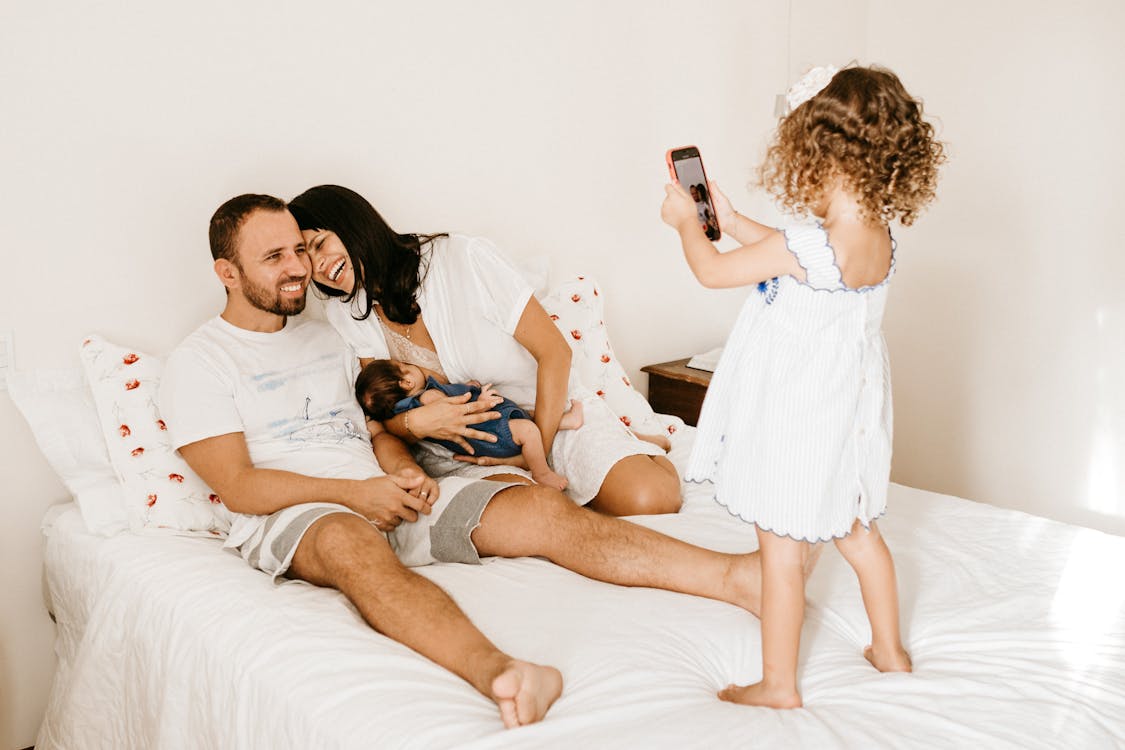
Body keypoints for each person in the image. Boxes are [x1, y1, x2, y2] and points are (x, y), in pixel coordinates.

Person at [159, 193, 771, 729]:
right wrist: (357, 495)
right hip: (308, 509)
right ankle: (502, 672)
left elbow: (378, 428)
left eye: (300, 249)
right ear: (227, 272)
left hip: (392, 489)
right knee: (350, 543)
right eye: (276, 258)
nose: (299, 269)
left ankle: (736, 577)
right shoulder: (200, 362)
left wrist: (403, 470)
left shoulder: (332, 334)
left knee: (537, 507)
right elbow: (239, 486)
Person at [660, 65, 944, 709]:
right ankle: (890, 650)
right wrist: (730, 218)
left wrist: (686, 221)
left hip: (800, 418)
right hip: (848, 417)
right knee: (859, 534)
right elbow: (788, 250)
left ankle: (778, 685)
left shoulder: (812, 247)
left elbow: (714, 273)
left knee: (781, 557)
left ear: (822, 159)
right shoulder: (874, 240)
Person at [287, 185, 682, 517]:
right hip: (465, 449)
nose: (319, 265)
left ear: (354, 225)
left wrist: (532, 457)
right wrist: (415, 427)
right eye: (306, 256)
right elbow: (383, 411)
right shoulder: (345, 310)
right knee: (531, 517)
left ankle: (642, 442)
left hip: (547, 417)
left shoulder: (461, 258)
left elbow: (555, 353)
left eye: (320, 243)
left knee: (650, 500)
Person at [356, 357, 584, 490]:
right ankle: (542, 472)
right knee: (528, 429)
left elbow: (451, 399)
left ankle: (567, 421)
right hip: (491, 430)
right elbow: (460, 411)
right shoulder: (428, 398)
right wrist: (481, 400)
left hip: (482, 440)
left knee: (525, 415)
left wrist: (466, 386)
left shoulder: (420, 403)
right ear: (406, 380)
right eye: (406, 365)